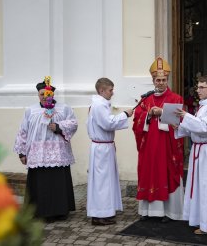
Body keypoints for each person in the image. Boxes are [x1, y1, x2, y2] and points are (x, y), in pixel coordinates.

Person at [14, 77, 78, 222]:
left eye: (47, 94)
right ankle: (40, 212)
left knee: (58, 183)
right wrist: (22, 153)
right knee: (40, 184)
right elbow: (23, 131)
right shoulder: (30, 110)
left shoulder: (64, 108)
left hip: (58, 153)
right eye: (41, 94)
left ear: (52, 95)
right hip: (38, 154)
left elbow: (73, 123)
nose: (44, 97)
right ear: (38, 95)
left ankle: (60, 211)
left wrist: (59, 126)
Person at [132, 57, 184, 223]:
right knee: (148, 173)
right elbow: (137, 120)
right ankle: (147, 211)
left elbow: (180, 123)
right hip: (148, 146)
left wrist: (161, 113)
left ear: (167, 80)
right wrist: (148, 114)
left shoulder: (176, 98)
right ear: (153, 80)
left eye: (164, 80)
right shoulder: (145, 99)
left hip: (166, 146)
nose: (161, 83)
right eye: (158, 80)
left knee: (165, 173)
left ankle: (168, 212)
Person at [174, 75, 207, 234]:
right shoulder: (205, 105)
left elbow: (205, 127)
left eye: (202, 87)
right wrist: (178, 125)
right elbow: (195, 127)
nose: (198, 90)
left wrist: (185, 116)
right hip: (200, 150)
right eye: (198, 87)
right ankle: (198, 219)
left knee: (206, 186)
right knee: (199, 186)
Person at [86, 77, 134, 226]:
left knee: (106, 181)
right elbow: (107, 123)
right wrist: (125, 114)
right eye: (110, 90)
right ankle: (99, 215)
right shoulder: (99, 105)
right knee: (102, 182)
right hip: (101, 149)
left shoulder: (101, 104)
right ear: (101, 90)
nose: (112, 93)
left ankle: (105, 212)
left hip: (104, 147)